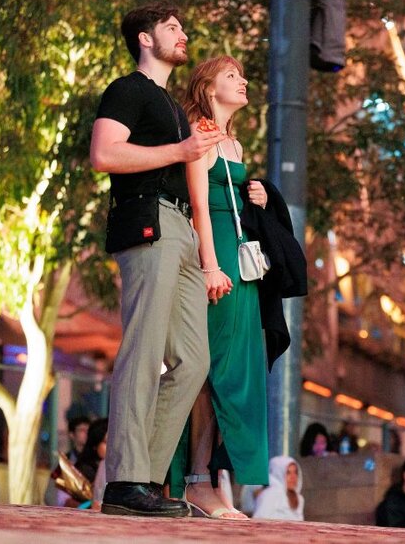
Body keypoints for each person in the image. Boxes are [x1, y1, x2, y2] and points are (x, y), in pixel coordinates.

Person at [90, 1, 226, 517]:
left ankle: (144, 478)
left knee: (193, 361)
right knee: (143, 349)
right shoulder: (128, 90)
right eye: (173, 27)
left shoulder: (169, 106)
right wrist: (182, 152)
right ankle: (124, 481)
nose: (183, 33)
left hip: (182, 232)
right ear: (146, 38)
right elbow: (105, 153)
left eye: (183, 27)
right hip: (147, 221)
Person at [170, 55, 270, 520]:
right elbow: (198, 206)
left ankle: (207, 479)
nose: (243, 80)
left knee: (232, 366)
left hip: (241, 256)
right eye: (232, 76)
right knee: (210, 367)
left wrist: (261, 196)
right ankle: (196, 481)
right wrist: (210, 265)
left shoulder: (234, 141)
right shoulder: (200, 129)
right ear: (209, 87)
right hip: (219, 258)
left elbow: (227, 200)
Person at [252, 456, 304, 520]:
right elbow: (258, 521)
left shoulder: (299, 498)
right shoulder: (270, 494)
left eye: (295, 472)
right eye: (288, 473)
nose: (293, 477)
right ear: (278, 474)